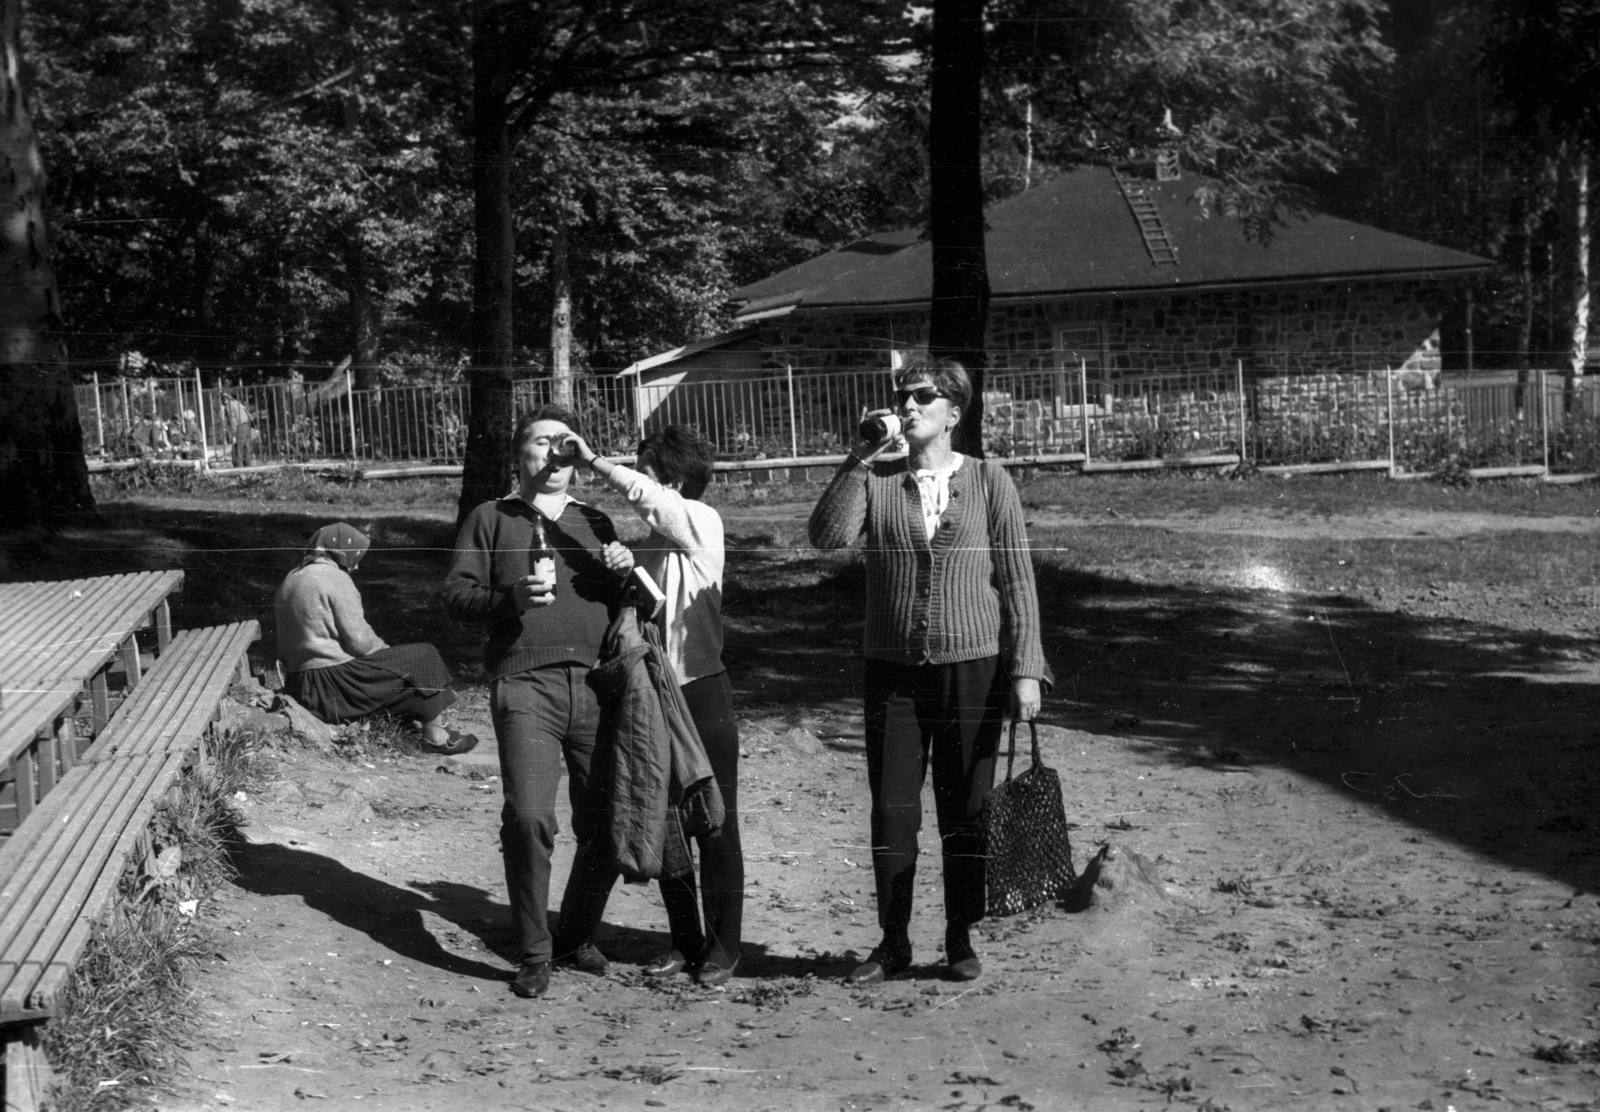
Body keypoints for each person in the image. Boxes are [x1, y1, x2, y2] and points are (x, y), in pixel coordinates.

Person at [808, 356, 1053, 985]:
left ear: (954, 411)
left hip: (974, 666)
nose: (908, 406)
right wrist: (860, 457)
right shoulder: (879, 479)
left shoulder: (991, 481)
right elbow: (826, 537)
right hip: (893, 670)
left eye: (923, 397)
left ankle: (959, 935)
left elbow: (1018, 581)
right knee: (892, 812)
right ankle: (893, 941)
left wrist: (1027, 669)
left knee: (965, 807)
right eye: (903, 397)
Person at [442, 405, 635, 999]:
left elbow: (633, 608)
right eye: (540, 443)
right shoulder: (490, 518)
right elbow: (455, 595)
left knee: (605, 822)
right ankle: (534, 950)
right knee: (530, 818)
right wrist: (511, 599)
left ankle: (575, 934)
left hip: (600, 686)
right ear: (518, 456)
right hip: (526, 686)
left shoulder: (596, 521)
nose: (554, 453)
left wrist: (627, 573)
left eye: (565, 443)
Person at [571, 424, 744, 987]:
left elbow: (654, 502)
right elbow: (647, 603)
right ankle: (686, 941)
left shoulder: (701, 521)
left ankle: (724, 947)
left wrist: (596, 462)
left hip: (700, 688)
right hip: (651, 692)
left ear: (669, 478)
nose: (637, 483)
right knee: (665, 818)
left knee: (714, 819)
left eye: (645, 471)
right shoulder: (653, 540)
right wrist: (625, 568)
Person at [275, 522, 476, 754]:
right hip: (331, 686)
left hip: (301, 686)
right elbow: (360, 642)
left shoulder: (291, 578)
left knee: (404, 667)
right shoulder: (335, 579)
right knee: (424, 656)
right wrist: (391, 656)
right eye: (356, 557)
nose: (357, 566)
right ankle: (436, 735)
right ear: (341, 551)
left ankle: (416, 723)